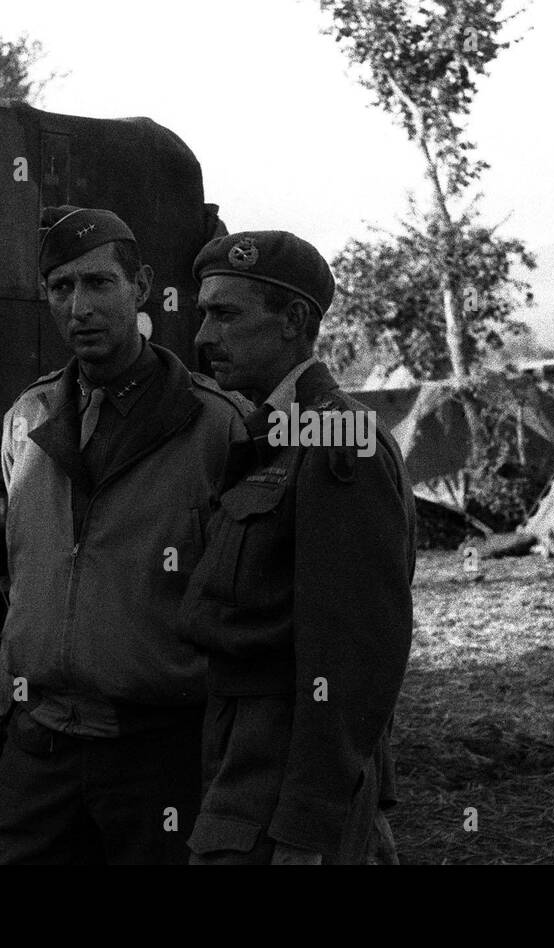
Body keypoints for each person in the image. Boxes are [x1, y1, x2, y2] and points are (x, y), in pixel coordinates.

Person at [0, 206, 249, 864]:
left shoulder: (215, 427)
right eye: (61, 288)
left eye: (99, 283)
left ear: (142, 287)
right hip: (40, 742)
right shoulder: (27, 418)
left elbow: (252, 595)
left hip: (156, 748)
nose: (80, 307)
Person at [180, 230, 416, 865]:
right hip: (241, 754)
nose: (204, 337)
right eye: (204, 314)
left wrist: (308, 828)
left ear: (293, 321)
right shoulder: (270, 435)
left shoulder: (340, 444)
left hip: (280, 776)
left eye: (225, 315)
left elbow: (354, 653)